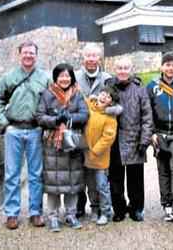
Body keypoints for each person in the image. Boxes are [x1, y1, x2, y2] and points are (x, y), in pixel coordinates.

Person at [0, 40, 50, 230]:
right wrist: (5, 124)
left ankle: (35, 212)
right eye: (25, 53)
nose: (28, 56)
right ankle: (12, 213)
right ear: (19, 55)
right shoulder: (9, 77)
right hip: (14, 130)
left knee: (36, 174)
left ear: (36, 55)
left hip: (35, 130)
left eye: (32, 53)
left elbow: (52, 102)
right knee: (12, 175)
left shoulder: (44, 77)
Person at [36, 63, 89, 232]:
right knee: (53, 181)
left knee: (72, 181)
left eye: (67, 76)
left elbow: (84, 114)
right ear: (56, 78)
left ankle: (71, 214)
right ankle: (52, 216)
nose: (65, 79)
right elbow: (39, 116)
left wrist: (70, 118)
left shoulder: (77, 94)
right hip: (52, 143)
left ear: (72, 77)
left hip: (71, 142)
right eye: (61, 76)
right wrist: (55, 120)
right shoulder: (46, 94)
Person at [74, 43, 121, 219]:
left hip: (100, 130)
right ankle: (79, 207)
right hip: (79, 132)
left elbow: (116, 99)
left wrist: (108, 111)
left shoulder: (107, 78)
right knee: (79, 173)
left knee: (98, 179)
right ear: (83, 57)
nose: (91, 59)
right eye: (88, 56)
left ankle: (98, 208)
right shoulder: (76, 76)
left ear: (99, 58)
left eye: (95, 56)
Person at [108, 57, 154, 222]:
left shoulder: (140, 89)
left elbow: (147, 117)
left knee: (136, 179)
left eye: (126, 68)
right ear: (115, 69)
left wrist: (145, 140)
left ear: (131, 69)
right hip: (113, 140)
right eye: (119, 68)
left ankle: (136, 208)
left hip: (135, 139)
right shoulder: (108, 87)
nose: (122, 71)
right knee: (115, 178)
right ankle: (119, 209)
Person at [147, 52, 173, 221]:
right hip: (160, 134)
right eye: (167, 64)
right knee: (163, 170)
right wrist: (152, 133)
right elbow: (147, 111)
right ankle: (166, 203)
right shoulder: (152, 86)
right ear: (161, 66)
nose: (170, 68)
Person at [83, 86, 119, 226]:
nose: (104, 97)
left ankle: (105, 211)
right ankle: (94, 208)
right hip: (86, 155)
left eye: (108, 97)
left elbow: (108, 137)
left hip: (100, 157)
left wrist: (95, 150)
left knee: (102, 186)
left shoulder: (110, 117)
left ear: (111, 102)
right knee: (90, 186)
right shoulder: (89, 107)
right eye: (103, 94)